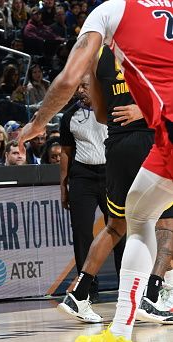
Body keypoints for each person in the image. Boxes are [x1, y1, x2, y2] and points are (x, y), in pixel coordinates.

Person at [17, 0, 173, 342]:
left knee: (135, 222)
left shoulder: (112, 11)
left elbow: (69, 79)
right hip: (160, 139)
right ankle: (118, 336)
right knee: (138, 218)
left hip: (151, 133)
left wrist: (39, 123)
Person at [56, 75, 124, 313]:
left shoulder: (112, 107)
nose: (81, 90)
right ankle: (88, 288)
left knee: (118, 229)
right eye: (78, 87)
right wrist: (63, 185)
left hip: (111, 173)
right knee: (82, 232)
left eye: (85, 85)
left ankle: (124, 285)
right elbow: (66, 151)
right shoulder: (69, 116)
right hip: (82, 176)